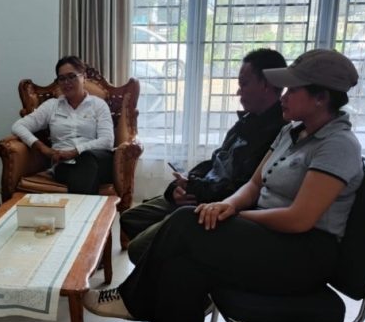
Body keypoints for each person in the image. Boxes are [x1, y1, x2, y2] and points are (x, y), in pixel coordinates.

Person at [83, 49, 364, 322]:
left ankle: (132, 298)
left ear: (320, 97)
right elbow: (253, 185)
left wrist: (238, 216)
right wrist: (228, 206)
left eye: (293, 89)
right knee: (183, 266)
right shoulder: (291, 132)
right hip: (269, 238)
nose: (284, 96)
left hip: (303, 254)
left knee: (187, 222)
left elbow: (299, 220)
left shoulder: (338, 145)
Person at [121, 48, 288, 262]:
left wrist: (195, 189)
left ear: (266, 85)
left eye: (244, 84)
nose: (238, 92)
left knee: (138, 248)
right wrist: (180, 186)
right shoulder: (246, 122)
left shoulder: (277, 133)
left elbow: (243, 188)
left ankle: (174, 259)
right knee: (131, 219)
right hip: (201, 192)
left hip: (215, 205)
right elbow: (215, 162)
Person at [11, 55, 114, 194]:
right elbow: (18, 126)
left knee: (87, 159)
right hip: (65, 166)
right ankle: (86, 207)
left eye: (72, 77)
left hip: (98, 160)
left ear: (84, 77)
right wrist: (43, 148)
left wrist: (75, 151)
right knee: (82, 172)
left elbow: (107, 141)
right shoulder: (52, 106)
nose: (67, 82)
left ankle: (76, 206)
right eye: (62, 78)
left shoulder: (98, 105)